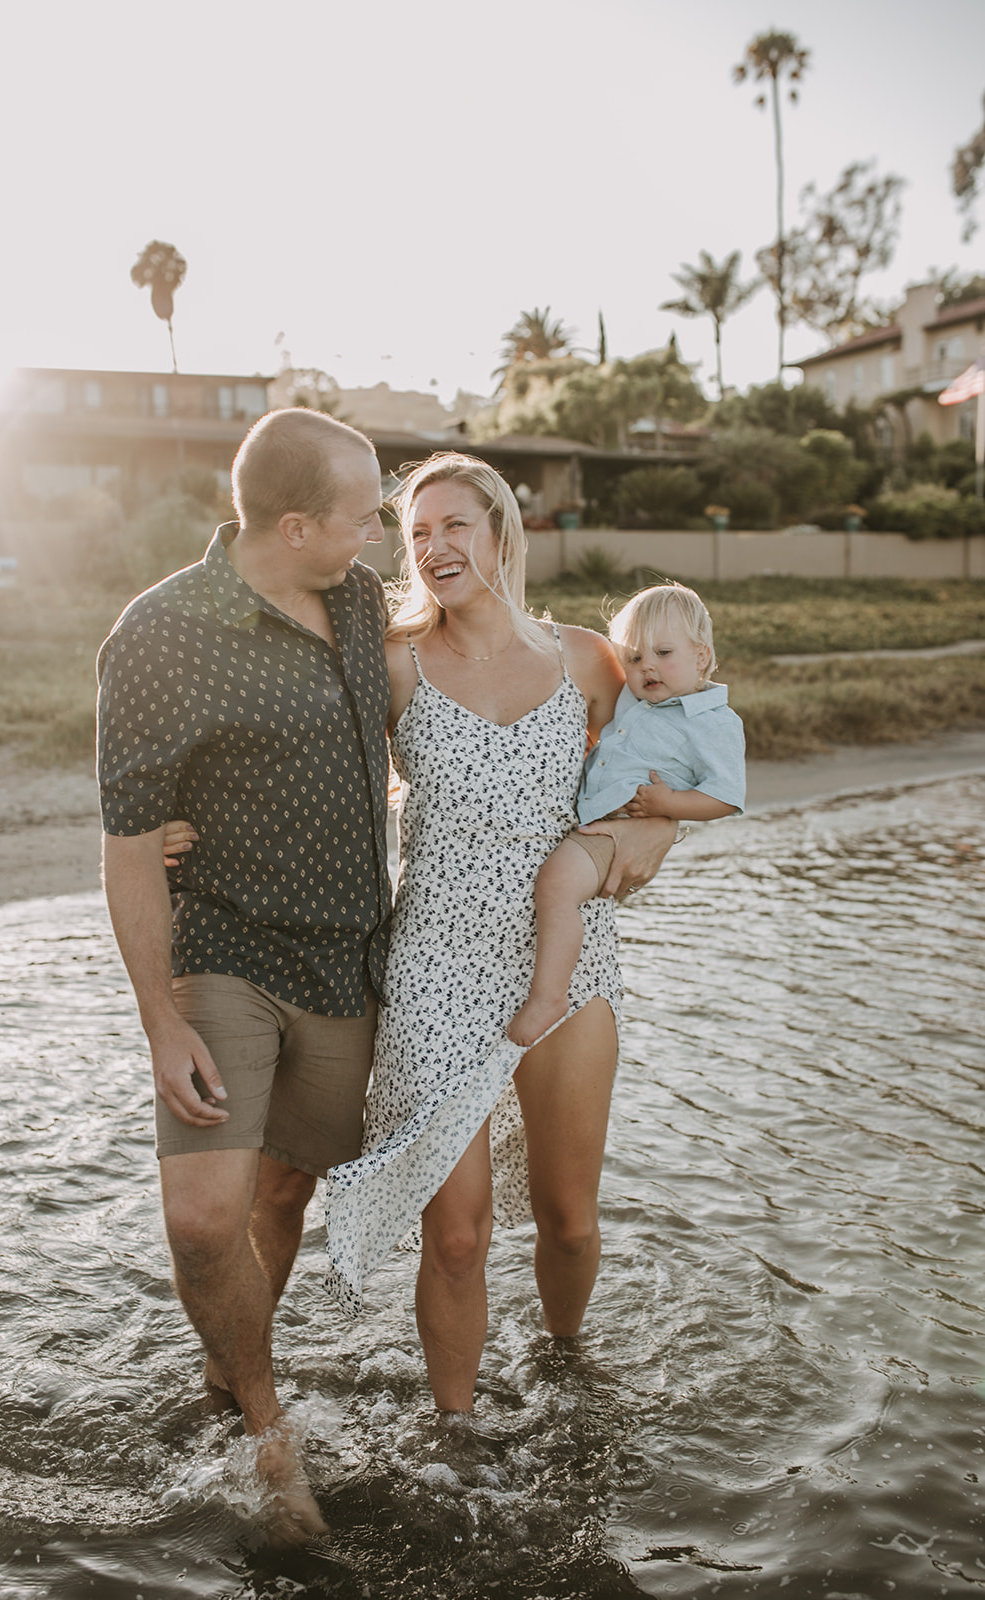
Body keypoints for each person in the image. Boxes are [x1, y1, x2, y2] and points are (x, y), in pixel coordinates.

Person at [322, 453, 676, 1414]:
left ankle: (566, 1366)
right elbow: (312, 764)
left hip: (570, 959)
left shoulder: (585, 660)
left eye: (452, 526)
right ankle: (455, 1439)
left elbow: (661, 764)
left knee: (566, 1218)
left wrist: (654, 827)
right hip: (435, 960)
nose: (433, 547)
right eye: (418, 533)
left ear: (500, 531)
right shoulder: (395, 662)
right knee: (459, 1235)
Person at [96, 408, 392, 1544]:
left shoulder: (361, 606)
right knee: (202, 1217)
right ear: (295, 522)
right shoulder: (161, 632)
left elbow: (496, 672)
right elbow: (128, 847)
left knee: (282, 1194)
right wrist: (159, 1021)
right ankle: (269, 1430)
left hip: (345, 964)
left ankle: (223, 1379)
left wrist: (650, 796)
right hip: (221, 952)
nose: (377, 534)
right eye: (363, 516)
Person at [508, 581, 746, 1047]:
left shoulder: (713, 722)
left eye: (663, 652)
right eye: (634, 658)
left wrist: (667, 808)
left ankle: (549, 996)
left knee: (555, 887)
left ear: (701, 657)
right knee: (556, 890)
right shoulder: (637, 701)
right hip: (595, 823)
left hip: (621, 828)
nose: (647, 667)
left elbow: (726, 797)